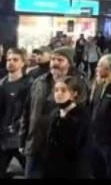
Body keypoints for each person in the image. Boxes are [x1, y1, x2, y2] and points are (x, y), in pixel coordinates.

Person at [20, 47, 88, 179]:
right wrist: (23, 140)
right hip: (35, 145)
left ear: (69, 62)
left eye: (60, 60)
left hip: (61, 150)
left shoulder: (78, 84)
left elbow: (81, 119)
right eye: (52, 59)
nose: (54, 63)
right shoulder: (39, 82)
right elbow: (27, 111)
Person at [43, 76, 91, 178]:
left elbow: (78, 145)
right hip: (54, 168)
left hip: (73, 169)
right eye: (56, 90)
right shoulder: (54, 113)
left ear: (74, 93)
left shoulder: (81, 116)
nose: (58, 94)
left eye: (63, 90)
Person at [0, 48, 30, 178]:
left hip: (21, 140)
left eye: (15, 60)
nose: (10, 62)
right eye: (8, 60)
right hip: (3, 139)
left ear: (23, 63)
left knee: (32, 173)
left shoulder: (30, 85)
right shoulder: (2, 84)